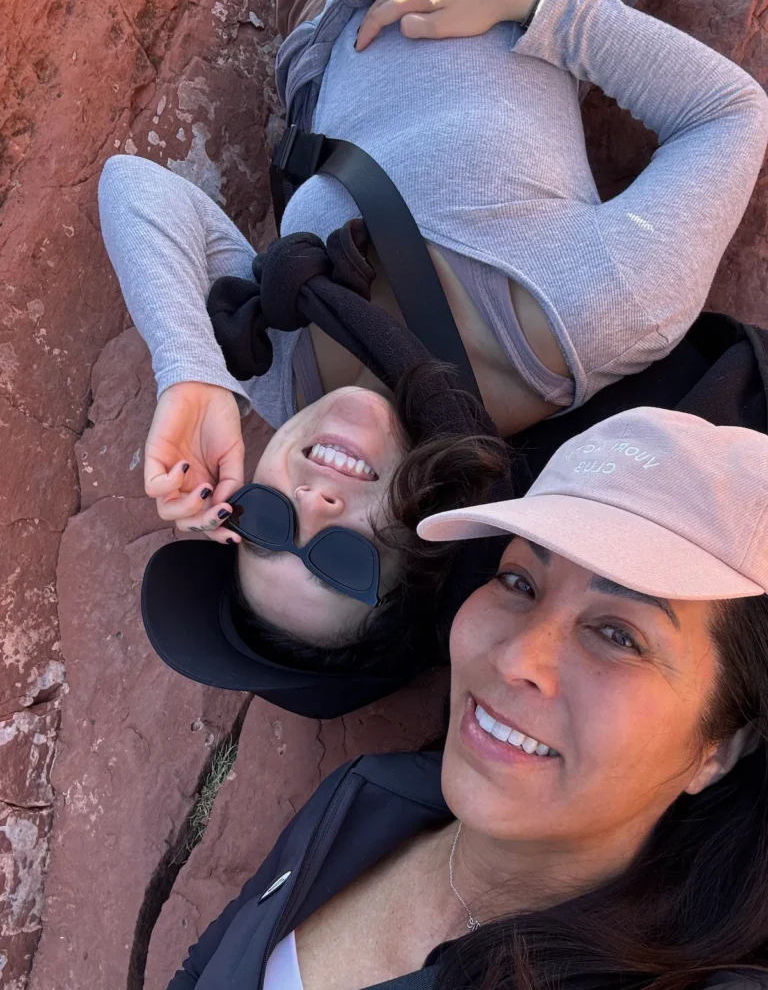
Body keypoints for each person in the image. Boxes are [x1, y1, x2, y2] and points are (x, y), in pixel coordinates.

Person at [97, 0, 767, 701]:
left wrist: (190, 372)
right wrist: (540, 3)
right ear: (430, 546)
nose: (312, 505)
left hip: (312, 5)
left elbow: (136, 184)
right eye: (344, 561)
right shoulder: (590, 318)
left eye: (262, 525)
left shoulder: (276, 369)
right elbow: (729, 114)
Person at [165, 407, 768, 990]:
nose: (515, 658)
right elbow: (205, 969)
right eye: (518, 581)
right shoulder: (371, 795)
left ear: (722, 744)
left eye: (619, 635)